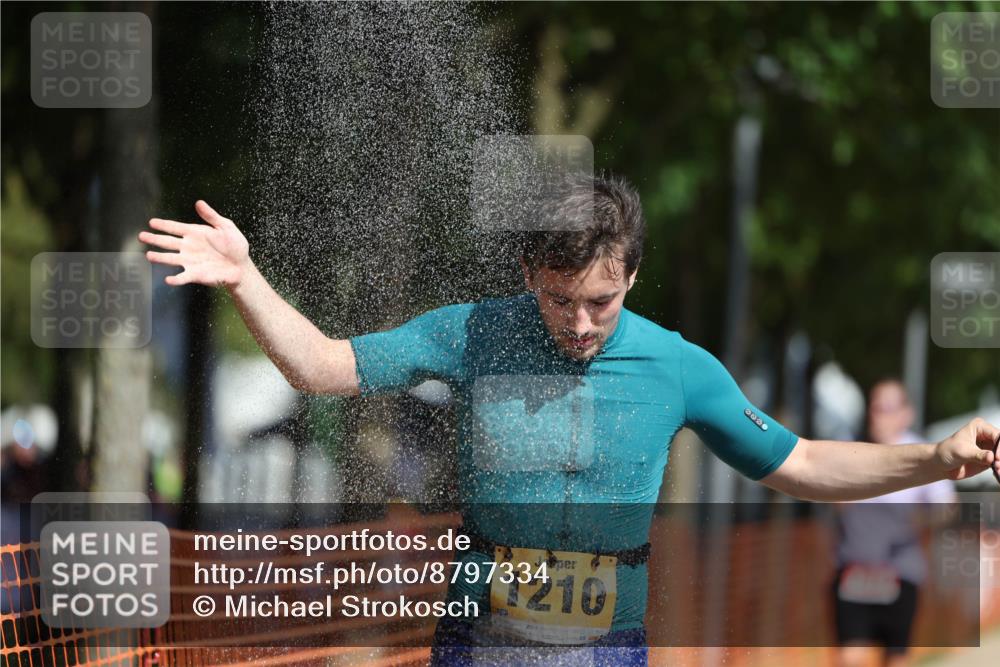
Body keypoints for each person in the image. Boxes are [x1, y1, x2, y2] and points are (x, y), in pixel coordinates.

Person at [140, 174, 1000, 666]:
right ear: (528, 271)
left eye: (602, 301)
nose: (582, 324)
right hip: (478, 633)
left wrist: (935, 455)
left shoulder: (676, 364)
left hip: (604, 643)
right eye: (560, 301)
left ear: (631, 274)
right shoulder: (471, 330)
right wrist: (244, 279)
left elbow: (803, 462)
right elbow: (323, 365)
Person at [833, 380, 957, 667]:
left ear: (906, 414)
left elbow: (946, 507)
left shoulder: (925, 454)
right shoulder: (851, 449)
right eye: (874, 407)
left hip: (899, 574)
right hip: (854, 571)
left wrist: (918, 519)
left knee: (896, 659)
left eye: (887, 408)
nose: (878, 414)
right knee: (848, 658)